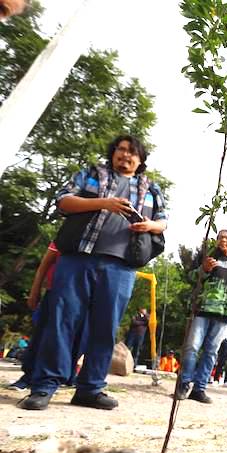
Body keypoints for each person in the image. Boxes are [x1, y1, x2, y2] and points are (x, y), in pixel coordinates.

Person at [19, 135, 167, 411]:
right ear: (113, 153)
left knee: (105, 327)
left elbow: (163, 222)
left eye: (132, 152)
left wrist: (150, 226)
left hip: (121, 265)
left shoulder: (151, 189)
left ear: (141, 159)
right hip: (78, 258)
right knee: (62, 321)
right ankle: (44, 386)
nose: (125, 155)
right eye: (121, 150)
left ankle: (90, 388)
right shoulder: (91, 174)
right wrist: (104, 203)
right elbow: (63, 202)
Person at [176, 229, 227, 404]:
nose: (224, 240)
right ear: (216, 240)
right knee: (192, 347)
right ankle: (183, 384)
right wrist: (204, 269)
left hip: (224, 314)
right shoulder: (207, 257)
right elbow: (191, 277)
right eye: (221, 237)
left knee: (211, 352)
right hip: (203, 309)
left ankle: (199, 389)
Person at [7, 242, 61, 391]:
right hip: (54, 293)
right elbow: (44, 264)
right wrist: (34, 291)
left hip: (83, 297)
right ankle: (28, 377)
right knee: (41, 336)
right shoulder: (68, 233)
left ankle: (59, 379)